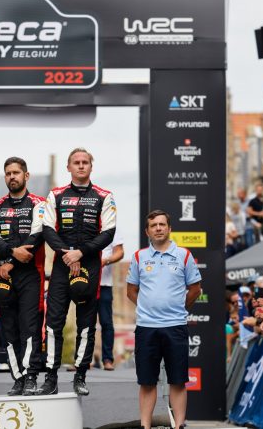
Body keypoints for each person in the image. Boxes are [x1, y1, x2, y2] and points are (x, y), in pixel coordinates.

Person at [38, 147, 116, 396]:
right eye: (76, 162)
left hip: (89, 265)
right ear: (68, 167)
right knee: (53, 323)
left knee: (86, 325)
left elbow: (108, 233)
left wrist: (80, 253)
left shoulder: (104, 196)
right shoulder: (56, 194)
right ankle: (50, 377)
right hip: (62, 266)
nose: (81, 166)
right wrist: (67, 254)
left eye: (85, 162)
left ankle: (80, 375)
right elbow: (48, 229)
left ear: (91, 166)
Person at [126, 210, 202, 429]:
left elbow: (195, 289)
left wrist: (177, 308)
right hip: (146, 328)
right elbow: (131, 291)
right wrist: (147, 308)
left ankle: (178, 425)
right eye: (153, 225)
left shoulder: (184, 255)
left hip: (175, 326)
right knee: (147, 381)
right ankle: (145, 426)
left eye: (162, 224)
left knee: (177, 381)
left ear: (169, 228)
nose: (158, 228)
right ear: (147, 231)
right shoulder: (139, 256)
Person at [0, 157, 46, 396]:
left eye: (16, 173)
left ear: (26, 176)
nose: (12, 177)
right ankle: (18, 378)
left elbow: (36, 236)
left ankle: (31, 377)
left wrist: (11, 262)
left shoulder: (39, 204)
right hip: (4, 276)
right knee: (8, 329)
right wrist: (11, 255)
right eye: (8, 173)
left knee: (29, 328)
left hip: (31, 275)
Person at [98, 234, 124, 371]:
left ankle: (107, 359)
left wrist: (106, 261)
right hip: (84, 282)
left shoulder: (113, 226)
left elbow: (120, 252)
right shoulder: (82, 223)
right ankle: (82, 360)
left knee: (106, 322)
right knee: (84, 322)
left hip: (105, 284)